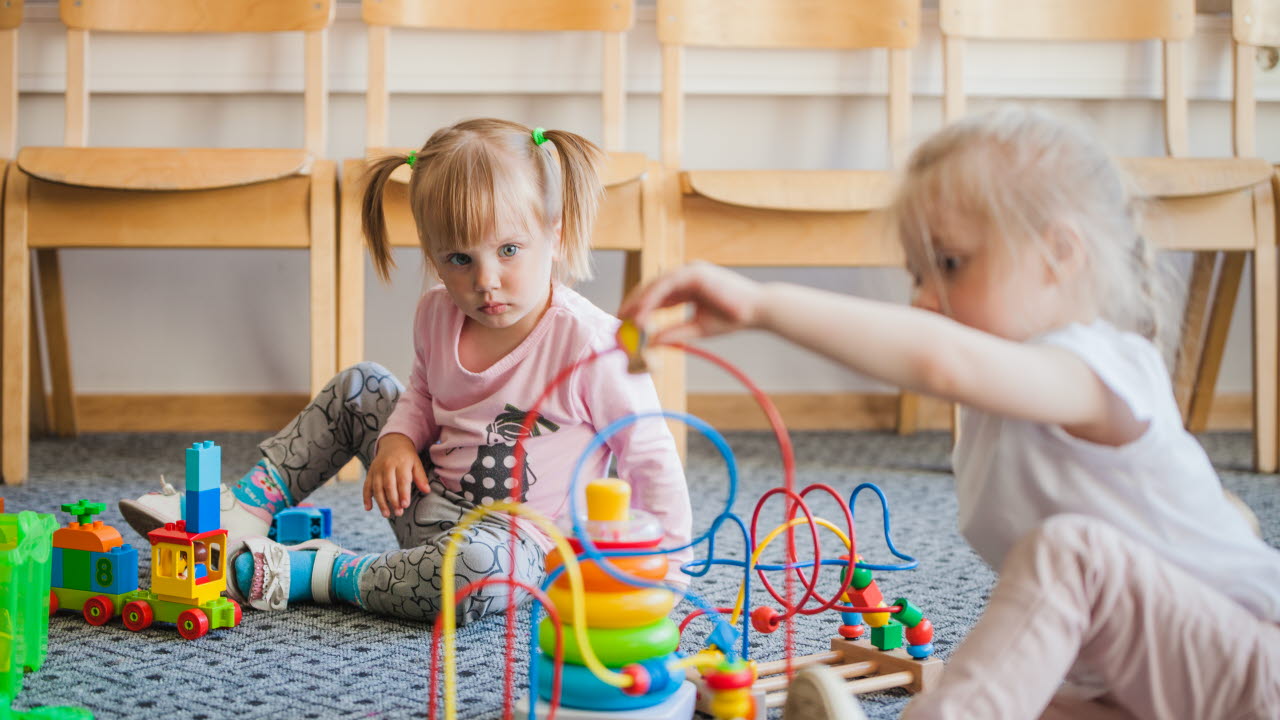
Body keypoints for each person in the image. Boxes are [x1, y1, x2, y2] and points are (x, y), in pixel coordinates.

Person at [619, 106, 1280, 719]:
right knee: (1004, 684)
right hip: (1137, 679)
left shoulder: (1100, 365)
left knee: (1070, 555)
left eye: (951, 263)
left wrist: (765, 308)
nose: (927, 298)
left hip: (1255, 669)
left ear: (1061, 254)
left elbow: (944, 361)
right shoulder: (1000, 411)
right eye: (917, 274)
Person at [119, 118, 691, 624]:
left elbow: (650, 455)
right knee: (360, 384)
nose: (485, 281)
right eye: (459, 259)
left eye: (510, 250)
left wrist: (669, 569)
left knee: (473, 569)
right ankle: (245, 509)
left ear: (556, 233)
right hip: (420, 500)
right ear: (432, 251)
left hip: (518, 547)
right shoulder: (437, 313)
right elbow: (421, 393)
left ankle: (322, 572)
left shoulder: (592, 345)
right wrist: (396, 438)